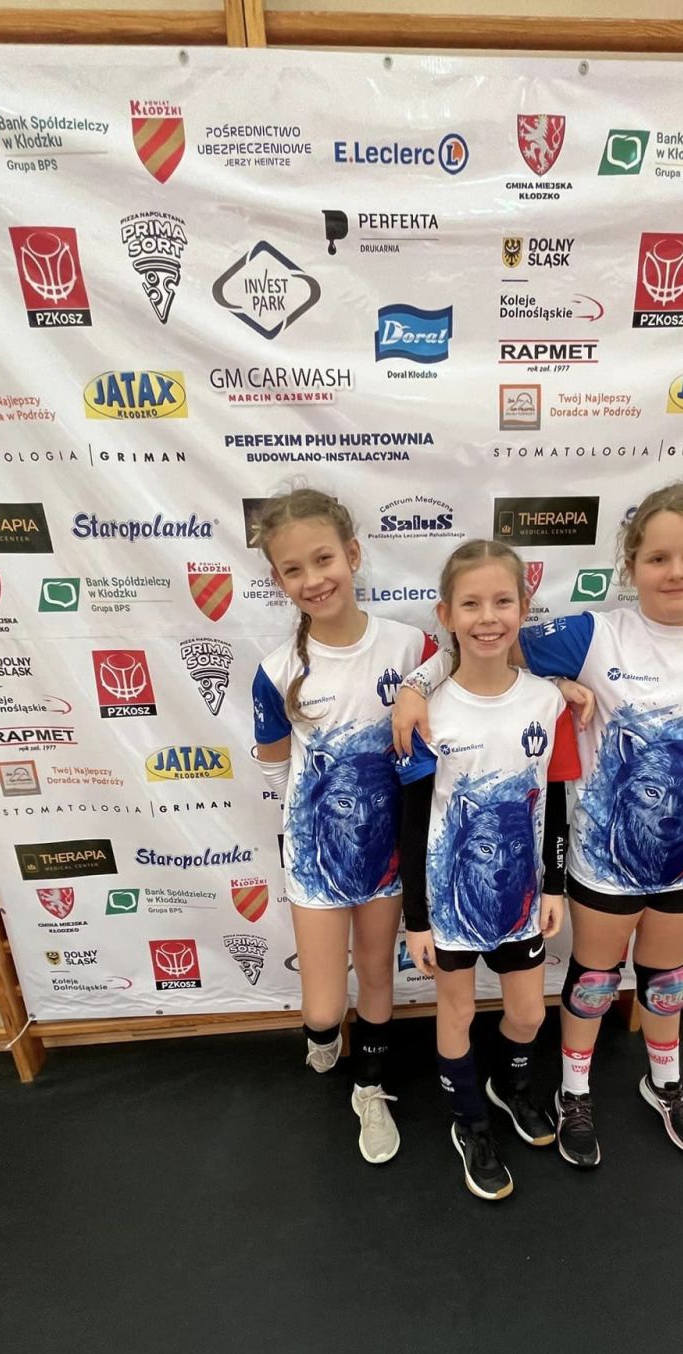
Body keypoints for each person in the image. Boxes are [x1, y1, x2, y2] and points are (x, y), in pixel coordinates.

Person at [394, 482, 683, 1167]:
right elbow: (486, 644)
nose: (676, 571)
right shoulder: (593, 633)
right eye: (657, 557)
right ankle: (573, 1091)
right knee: (595, 981)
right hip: (603, 865)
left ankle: (666, 1081)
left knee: (667, 980)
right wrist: (415, 687)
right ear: (631, 565)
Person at [252, 488, 437, 1165]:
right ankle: (324, 1037)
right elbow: (275, 768)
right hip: (317, 856)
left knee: (379, 978)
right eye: (293, 569)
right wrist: (307, 831)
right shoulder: (277, 671)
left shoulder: (410, 645)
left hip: (388, 850)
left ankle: (371, 1086)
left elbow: (476, 669)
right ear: (278, 580)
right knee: (325, 1008)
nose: (313, 579)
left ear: (353, 555)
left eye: (324, 558)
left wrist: (559, 687)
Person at [397, 540, 582, 1201]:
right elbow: (413, 821)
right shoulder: (425, 711)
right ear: (446, 615)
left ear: (524, 610)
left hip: (522, 897)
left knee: (528, 1013)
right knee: (457, 1011)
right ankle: (470, 1123)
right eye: (470, 604)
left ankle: (511, 1085)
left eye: (503, 601)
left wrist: (554, 883)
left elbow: (555, 799)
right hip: (448, 902)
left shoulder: (547, 703)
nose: (488, 617)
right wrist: (417, 917)